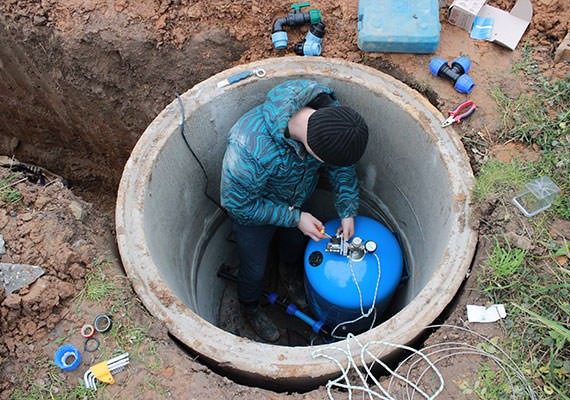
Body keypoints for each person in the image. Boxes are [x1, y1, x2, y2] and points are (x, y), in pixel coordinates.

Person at [220, 79, 369, 342]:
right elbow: (238, 205)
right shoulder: (250, 149)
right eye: (328, 163)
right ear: (316, 154)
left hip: (297, 200)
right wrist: (295, 217)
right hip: (255, 213)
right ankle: (250, 306)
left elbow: (342, 168)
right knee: (254, 268)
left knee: (294, 242)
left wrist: (347, 209)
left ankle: (289, 275)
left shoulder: (331, 118)